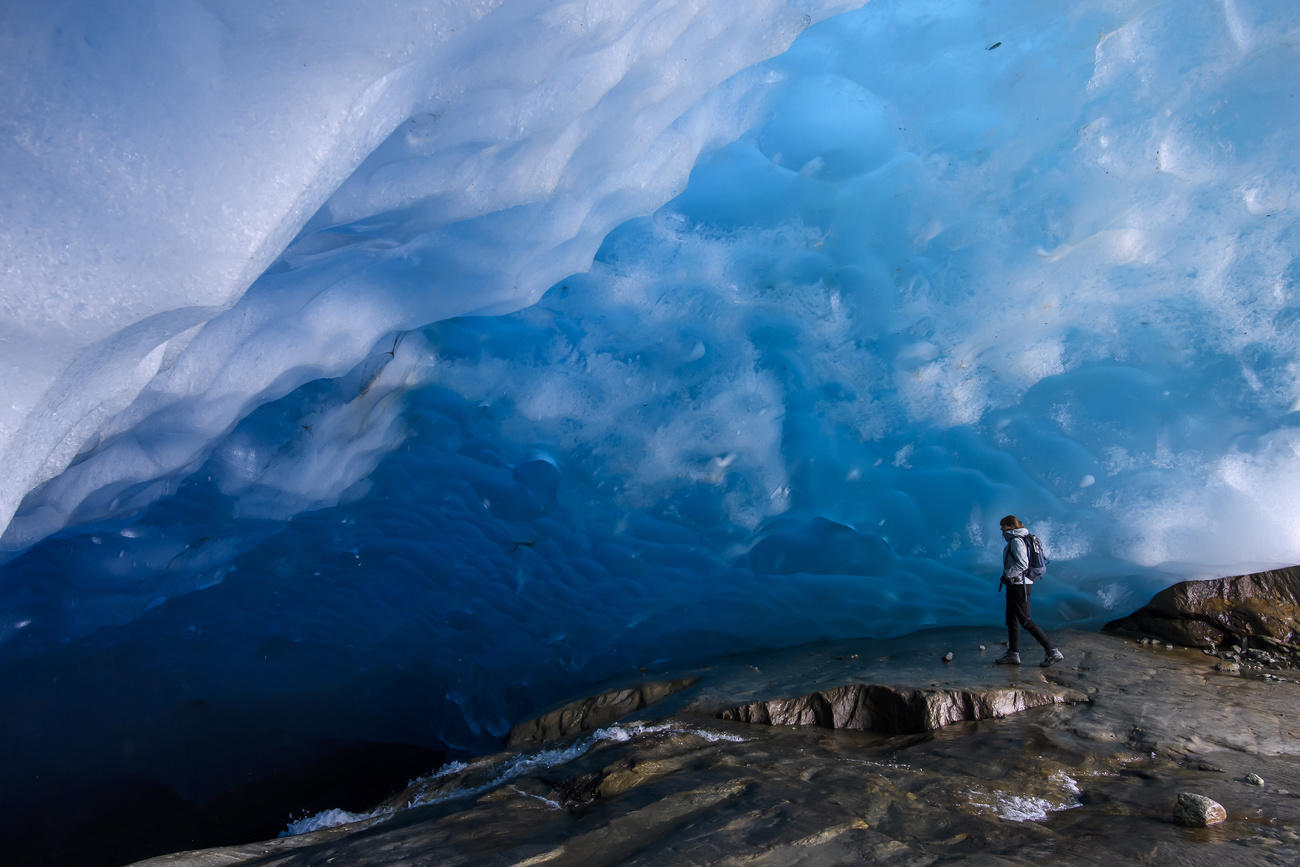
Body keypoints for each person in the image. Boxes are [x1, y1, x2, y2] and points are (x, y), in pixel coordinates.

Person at [995, 515, 1063, 667]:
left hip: (1019, 585)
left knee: (1026, 621)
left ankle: (1052, 651)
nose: (1001, 529)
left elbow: (1023, 564)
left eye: (1003, 526)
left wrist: (1007, 574)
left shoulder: (1017, 541)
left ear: (1011, 526)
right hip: (1017, 584)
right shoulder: (1021, 538)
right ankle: (1013, 654)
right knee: (1011, 618)